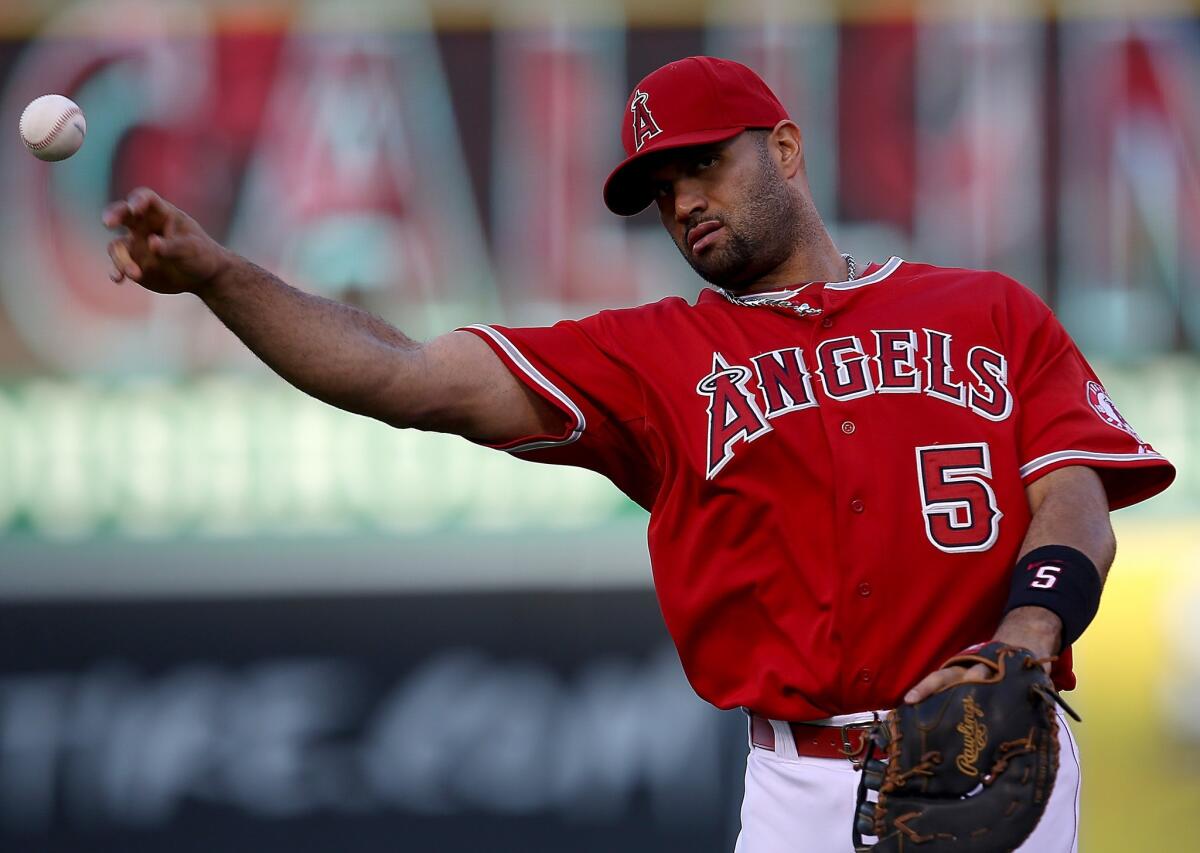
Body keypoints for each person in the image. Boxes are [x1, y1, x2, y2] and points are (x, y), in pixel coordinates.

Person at [102, 56, 1174, 852]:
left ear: (786, 149)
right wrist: (219, 276)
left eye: (703, 165)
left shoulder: (985, 310)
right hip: (795, 788)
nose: (685, 203)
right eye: (662, 190)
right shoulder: (654, 358)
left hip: (996, 757)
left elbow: (1074, 501)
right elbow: (404, 376)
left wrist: (1027, 635)